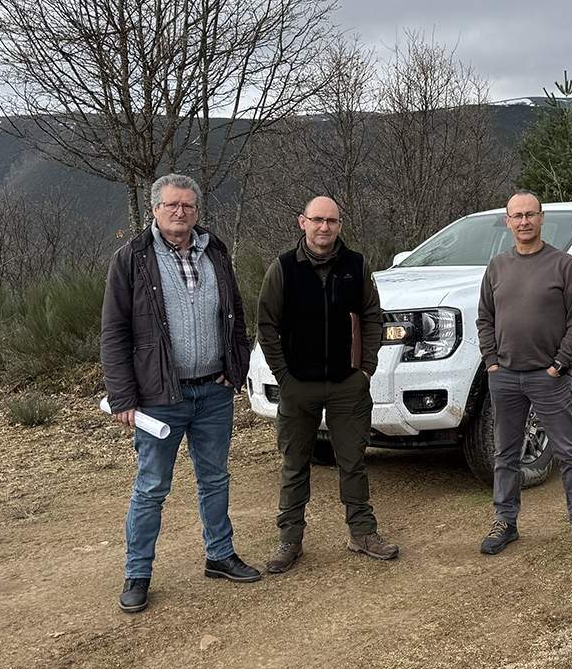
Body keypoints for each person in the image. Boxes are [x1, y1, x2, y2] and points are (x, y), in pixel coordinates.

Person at [102, 173, 260, 615]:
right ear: (155, 209)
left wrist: (236, 368)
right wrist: (123, 397)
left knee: (215, 479)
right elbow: (113, 332)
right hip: (159, 397)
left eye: (188, 205)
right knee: (152, 487)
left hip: (213, 392)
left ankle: (220, 555)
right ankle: (137, 574)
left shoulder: (215, 251)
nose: (180, 212)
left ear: (197, 210)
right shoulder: (132, 258)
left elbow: (235, 315)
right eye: (171, 204)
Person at [258, 196, 397, 572]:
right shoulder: (283, 268)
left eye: (331, 221)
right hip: (298, 385)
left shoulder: (356, 265)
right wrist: (283, 376)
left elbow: (372, 317)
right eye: (317, 220)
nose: (324, 227)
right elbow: (267, 326)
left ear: (339, 225)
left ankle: (362, 532)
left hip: (347, 384)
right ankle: (290, 539)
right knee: (294, 464)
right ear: (302, 222)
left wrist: (365, 369)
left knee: (353, 461)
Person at [477, 191, 572, 557]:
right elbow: (485, 318)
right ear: (508, 221)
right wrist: (491, 362)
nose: (524, 221)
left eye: (530, 214)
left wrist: (558, 364)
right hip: (505, 377)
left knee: (569, 452)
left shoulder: (563, 265)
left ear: (541, 218)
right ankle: (505, 521)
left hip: (549, 377)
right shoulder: (497, 267)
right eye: (517, 216)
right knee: (506, 453)